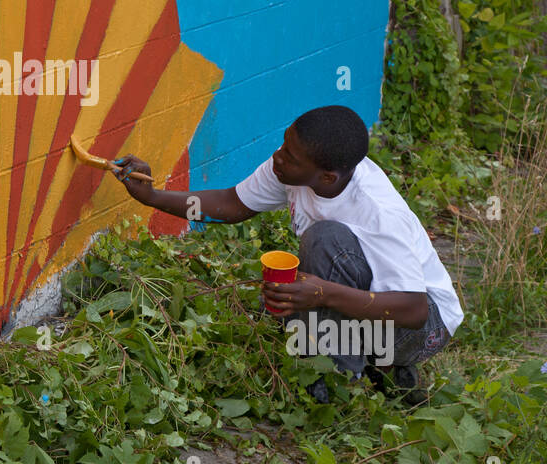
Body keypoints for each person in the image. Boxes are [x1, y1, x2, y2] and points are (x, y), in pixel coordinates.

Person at [112, 104, 462, 404]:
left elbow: (415, 310)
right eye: (283, 145)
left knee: (325, 241)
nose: (277, 157)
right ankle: (377, 368)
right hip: (380, 308)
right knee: (279, 305)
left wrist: (322, 294)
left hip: (423, 325)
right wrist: (152, 198)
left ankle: (343, 387)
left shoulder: (377, 212)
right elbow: (232, 204)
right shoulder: (293, 168)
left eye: (289, 156)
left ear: (327, 176)